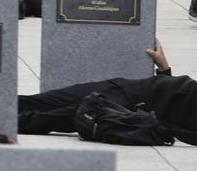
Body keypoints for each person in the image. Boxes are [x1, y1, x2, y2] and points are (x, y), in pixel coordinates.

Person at [17, 39, 197, 145]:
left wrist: (154, 123)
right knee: (36, 102)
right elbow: (183, 102)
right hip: (124, 87)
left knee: (36, 120)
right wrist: (164, 70)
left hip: (125, 110)